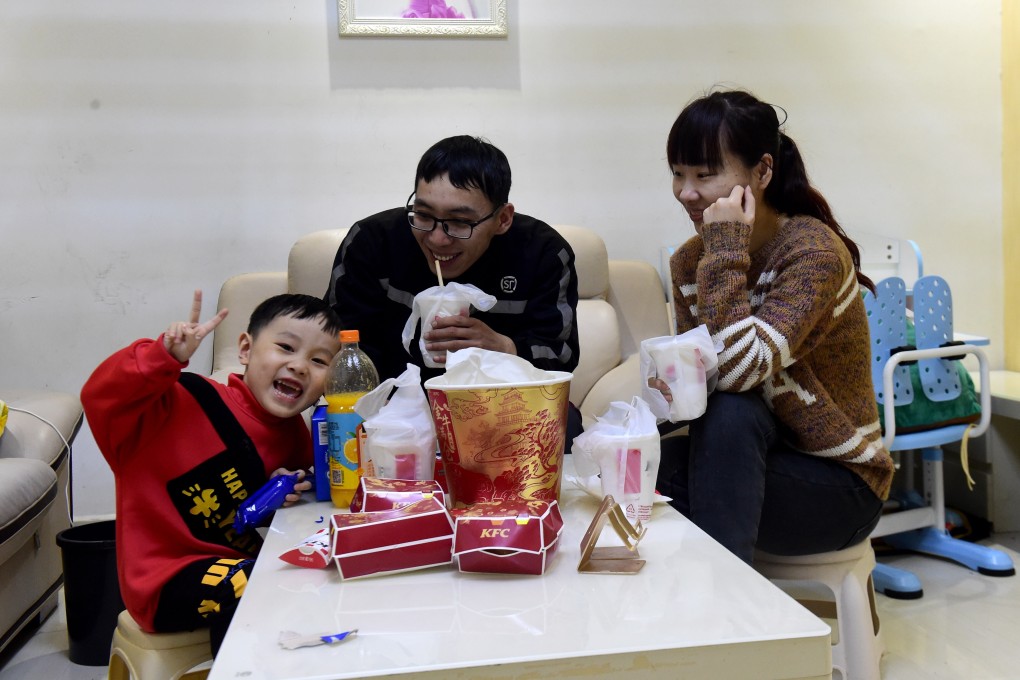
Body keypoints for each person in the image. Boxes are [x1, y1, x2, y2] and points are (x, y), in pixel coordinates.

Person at [654, 89, 894, 565]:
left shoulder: (811, 254)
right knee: (637, 467)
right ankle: (708, 604)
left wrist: (724, 250)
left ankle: (728, 613)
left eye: (705, 174)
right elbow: (699, 382)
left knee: (731, 408)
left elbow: (740, 372)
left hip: (839, 481)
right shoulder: (689, 261)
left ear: (762, 172)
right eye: (678, 174)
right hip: (752, 454)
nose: (686, 192)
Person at [81, 291, 342, 654]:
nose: (299, 366)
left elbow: (258, 520)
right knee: (253, 586)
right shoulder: (177, 400)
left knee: (321, 577)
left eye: (318, 360)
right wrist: (163, 356)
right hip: (164, 581)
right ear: (246, 350)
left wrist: (281, 496)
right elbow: (100, 396)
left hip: (243, 565)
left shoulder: (299, 440)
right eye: (285, 347)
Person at [325, 135, 581, 435]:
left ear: (502, 219)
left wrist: (504, 348)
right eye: (423, 215)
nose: (436, 238)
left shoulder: (542, 253)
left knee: (568, 426)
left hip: (505, 411)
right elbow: (340, 346)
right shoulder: (372, 243)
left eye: (460, 222)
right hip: (391, 409)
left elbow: (561, 357)